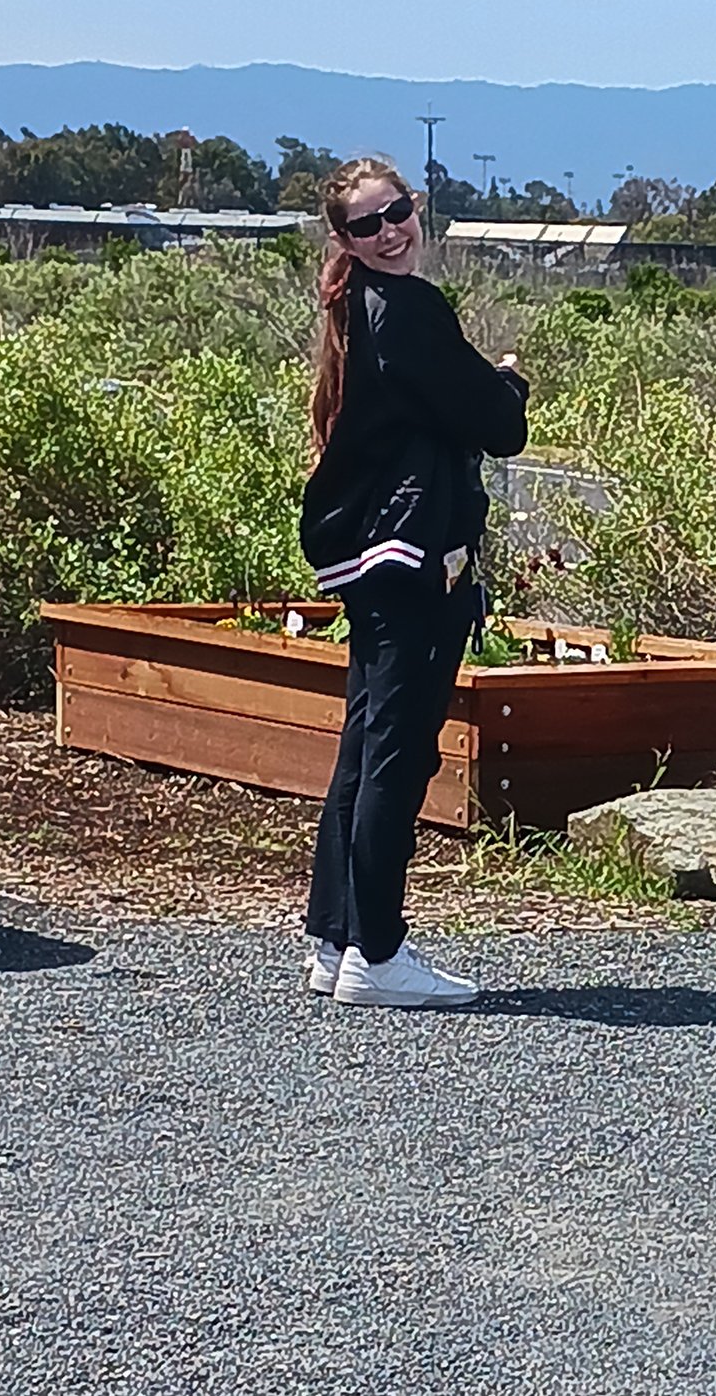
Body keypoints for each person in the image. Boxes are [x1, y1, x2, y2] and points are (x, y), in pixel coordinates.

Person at [298, 158, 529, 1007]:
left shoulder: (354, 309)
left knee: (365, 744)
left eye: (396, 213)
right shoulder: (410, 309)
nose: (390, 232)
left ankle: (336, 936)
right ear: (344, 240)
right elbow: (497, 424)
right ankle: (379, 951)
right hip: (410, 555)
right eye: (368, 225)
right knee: (398, 750)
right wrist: (509, 381)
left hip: (365, 556)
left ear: (415, 207)